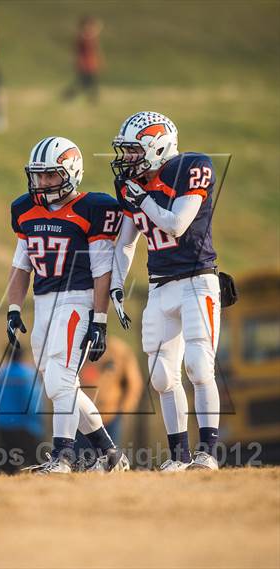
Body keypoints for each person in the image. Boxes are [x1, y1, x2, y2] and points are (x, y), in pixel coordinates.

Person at [6, 136, 129, 474]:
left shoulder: (93, 207)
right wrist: (14, 307)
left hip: (77, 298)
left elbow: (103, 269)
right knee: (59, 383)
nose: (43, 182)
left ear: (71, 172)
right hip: (43, 302)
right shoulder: (24, 209)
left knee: (60, 382)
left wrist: (100, 318)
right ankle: (110, 454)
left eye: (51, 175)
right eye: (39, 175)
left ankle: (64, 456)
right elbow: (21, 264)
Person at [110, 111, 221, 471]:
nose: (126, 160)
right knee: (160, 376)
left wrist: (142, 199)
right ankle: (179, 457)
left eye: (132, 151)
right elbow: (126, 242)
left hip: (195, 279)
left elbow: (176, 224)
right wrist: (116, 282)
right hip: (159, 285)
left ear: (156, 148)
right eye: (124, 152)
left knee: (199, 366)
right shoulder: (133, 186)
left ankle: (207, 453)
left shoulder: (190, 168)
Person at [79, 335, 144, 447]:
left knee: (109, 460)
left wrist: (124, 410)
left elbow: (134, 384)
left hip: (110, 418)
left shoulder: (119, 350)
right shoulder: (79, 349)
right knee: (77, 459)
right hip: (80, 419)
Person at [0, 347, 45, 474]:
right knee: (37, 463)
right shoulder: (27, 374)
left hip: (3, 424)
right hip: (25, 425)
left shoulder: (1, 374)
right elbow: (32, 401)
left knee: (6, 465)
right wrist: (38, 419)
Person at [63, 16, 103, 103]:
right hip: (84, 63)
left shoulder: (89, 36)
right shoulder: (83, 36)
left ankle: (92, 100)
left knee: (91, 82)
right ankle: (68, 95)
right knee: (84, 83)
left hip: (91, 63)